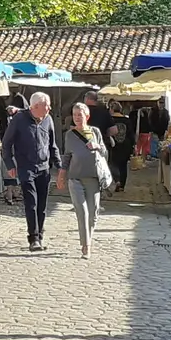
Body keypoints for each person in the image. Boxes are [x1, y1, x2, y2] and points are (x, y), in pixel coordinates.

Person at [1, 91, 61, 251]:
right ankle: (33, 238)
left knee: (42, 204)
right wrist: (10, 164)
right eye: (46, 105)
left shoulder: (48, 120)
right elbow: (6, 144)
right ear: (35, 107)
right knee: (31, 203)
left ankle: (40, 235)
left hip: (44, 168)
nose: (49, 108)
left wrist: (59, 166)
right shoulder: (19, 120)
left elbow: (52, 145)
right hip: (26, 167)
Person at [60, 102, 111, 258]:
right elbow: (67, 156)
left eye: (80, 115)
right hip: (75, 178)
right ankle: (86, 245)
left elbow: (105, 152)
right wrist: (62, 174)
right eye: (74, 115)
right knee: (82, 212)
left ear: (86, 117)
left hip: (93, 178)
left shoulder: (95, 132)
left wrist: (97, 146)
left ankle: (88, 238)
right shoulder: (69, 135)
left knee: (93, 212)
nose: (77, 118)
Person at [106, 120, 131, 192]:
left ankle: (117, 180)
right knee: (123, 165)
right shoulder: (127, 121)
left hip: (113, 145)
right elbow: (131, 134)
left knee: (113, 163)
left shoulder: (111, 120)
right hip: (125, 145)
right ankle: (122, 186)